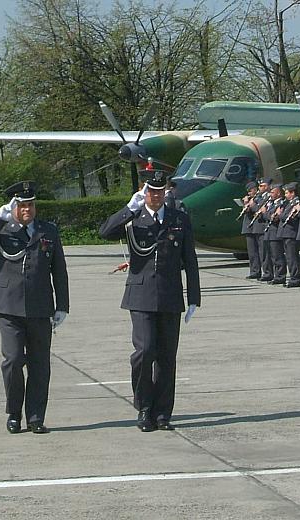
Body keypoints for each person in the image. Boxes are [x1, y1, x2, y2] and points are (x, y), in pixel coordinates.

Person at [99, 169, 201, 432]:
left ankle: (163, 413)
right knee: (144, 352)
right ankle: (144, 406)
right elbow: (105, 231)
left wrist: (194, 297)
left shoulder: (179, 218)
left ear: (165, 192)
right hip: (141, 294)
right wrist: (129, 209)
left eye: (159, 192)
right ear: (144, 192)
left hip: (170, 294)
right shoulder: (134, 218)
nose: (155, 196)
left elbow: (190, 259)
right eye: (151, 192)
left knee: (167, 357)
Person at [0, 181, 69, 434]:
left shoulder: (48, 230)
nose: (27, 210)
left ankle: (35, 417)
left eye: (31, 205)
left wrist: (62, 306)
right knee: (13, 360)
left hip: (40, 307)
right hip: (9, 307)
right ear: (13, 206)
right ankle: (14, 413)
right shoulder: (1, 229)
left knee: (39, 364)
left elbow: (59, 270)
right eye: (22, 205)